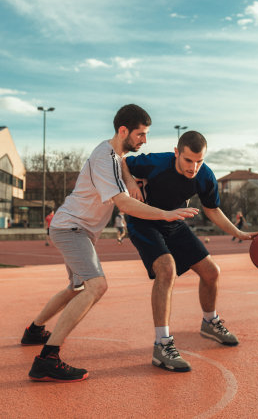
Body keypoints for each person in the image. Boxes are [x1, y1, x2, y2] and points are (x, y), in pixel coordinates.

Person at [21, 104, 197, 383]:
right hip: (71, 229)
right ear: (123, 130)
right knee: (97, 285)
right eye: (141, 134)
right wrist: (166, 214)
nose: (145, 140)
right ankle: (47, 358)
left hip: (76, 229)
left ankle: (34, 329)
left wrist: (130, 179)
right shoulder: (104, 156)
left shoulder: (114, 156)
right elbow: (124, 204)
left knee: (76, 287)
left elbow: (123, 166)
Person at [122, 130, 258, 373]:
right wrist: (131, 181)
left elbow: (212, 209)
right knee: (167, 269)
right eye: (188, 160)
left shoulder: (205, 176)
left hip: (174, 222)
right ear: (176, 153)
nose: (193, 167)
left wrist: (238, 233)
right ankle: (162, 345)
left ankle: (210, 321)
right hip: (143, 220)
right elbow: (123, 161)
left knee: (211, 272)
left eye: (199, 161)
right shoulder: (157, 162)